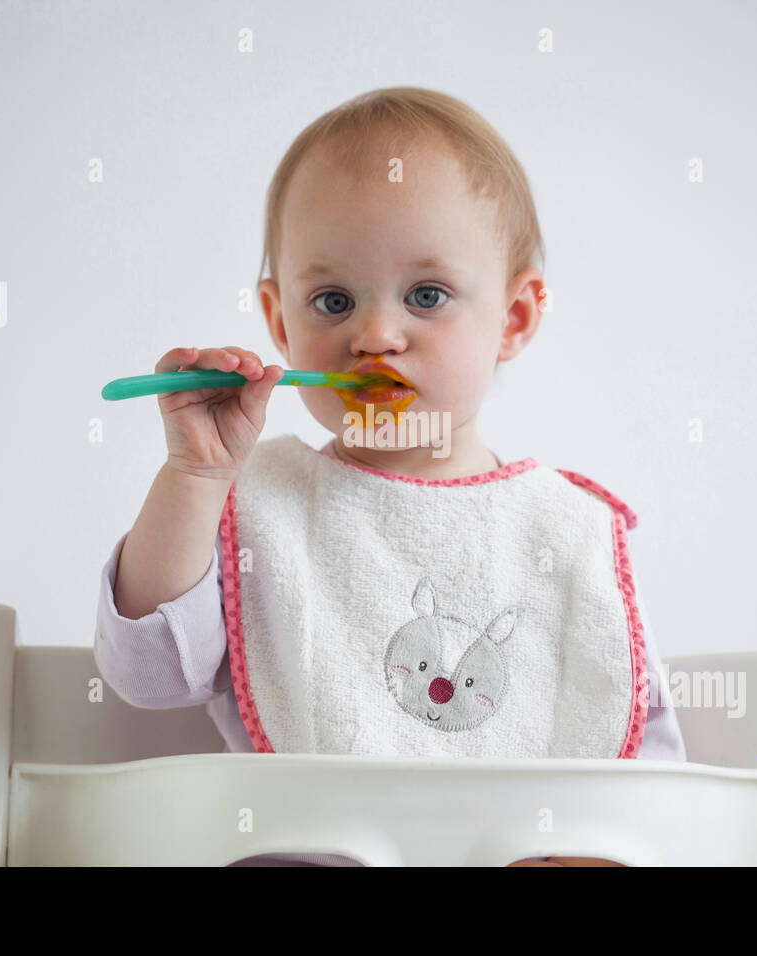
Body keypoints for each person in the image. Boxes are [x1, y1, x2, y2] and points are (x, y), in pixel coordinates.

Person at [95, 87, 687, 866]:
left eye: (427, 295)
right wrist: (196, 476)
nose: (374, 334)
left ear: (513, 318)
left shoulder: (564, 527)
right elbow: (148, 676)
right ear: (280, 324)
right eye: (333, 301)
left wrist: (601, 852)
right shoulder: (260, 504)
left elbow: (648, 781)